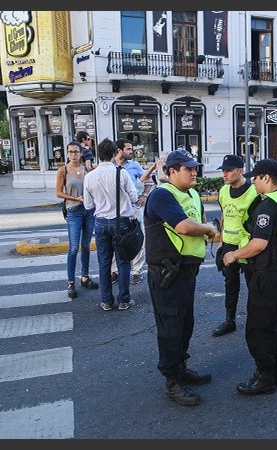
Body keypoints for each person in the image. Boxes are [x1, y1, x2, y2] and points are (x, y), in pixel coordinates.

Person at [222, 159, 277, 396]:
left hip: (270, 275)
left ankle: (264, 377)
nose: (252, 182)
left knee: (260, 328)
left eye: (256, 178)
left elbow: (259, 244)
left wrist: (233, 255)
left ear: (266, 178)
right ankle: (276, 373)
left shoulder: (268, 206)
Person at [143, 149, 219, 406]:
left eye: (195, 167)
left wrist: (208, 228)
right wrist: (208, 229)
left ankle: (181, 367)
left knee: (186, 324)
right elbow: (185, 226)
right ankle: (171, 381)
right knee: (171, 328)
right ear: (172, 171)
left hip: (187, 272)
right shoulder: (162, 195)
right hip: (167, 274)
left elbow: (200, 221)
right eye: (188, 168)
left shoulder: (193, 194)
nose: (194, 172)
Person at [83, 138, 138, 312]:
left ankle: (106, 300)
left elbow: (88, 206)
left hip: (100, 222)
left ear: (98, 155)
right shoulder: (121, 173)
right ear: (115, 153)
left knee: (104, 262)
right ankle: (123, 300)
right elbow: (134, 196)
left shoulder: (90, 177)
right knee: (123, 261)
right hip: (121, 222)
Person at [212, 154, 259, 337]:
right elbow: (224, 215)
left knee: (253, 286)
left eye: (229, 170)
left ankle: (255, 322)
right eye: (223, 171)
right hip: (229, 246)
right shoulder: (224, 190)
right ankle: (229, 321)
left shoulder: (254, 192)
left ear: (240, 171)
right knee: (230, 285)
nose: (224, 174)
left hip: (247, 247)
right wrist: (221, 242)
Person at [55, 141, 99, 298]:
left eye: (76, 152)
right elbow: (59, 193)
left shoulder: (88, 169)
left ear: (81, 153)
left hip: (89, 210)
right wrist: (75, 198)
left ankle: (85, 277)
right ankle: (71, 282)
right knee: (74, 247)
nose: (73, 155)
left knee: (86, 245)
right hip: (73, 210)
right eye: (70, 152)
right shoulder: (63, 170)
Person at [111, 138, 150, 285]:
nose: (131, 151)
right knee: (115, 239)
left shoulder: (134, 165)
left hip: (133, 207)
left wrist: (144, 195)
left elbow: (148, 180)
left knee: (138, 237)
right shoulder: (110, 166)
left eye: (131, 149)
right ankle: (114, 271)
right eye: (128, 149)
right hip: (115, 209)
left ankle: (136, 271)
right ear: (119, 150)